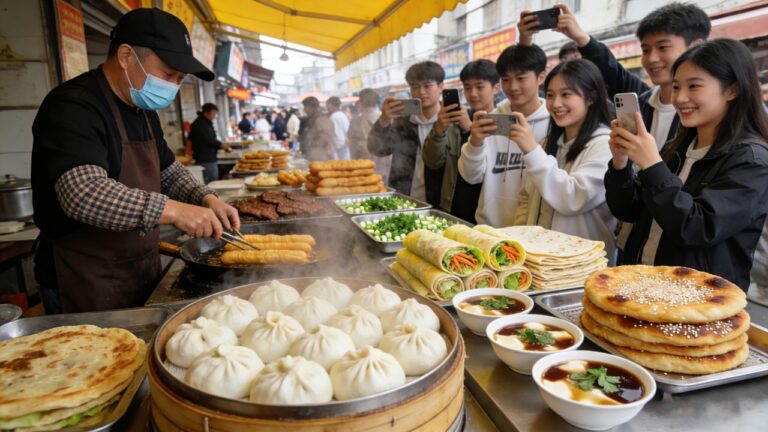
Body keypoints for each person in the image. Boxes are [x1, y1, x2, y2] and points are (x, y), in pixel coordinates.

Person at [31, 8, 240, 314]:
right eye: (169, 74)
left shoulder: (143, 112)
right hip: (84, 279)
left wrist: (205, 198)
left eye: (180, 79)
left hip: (138, 269)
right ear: (127, 56)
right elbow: (82, 193)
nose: (173, 85)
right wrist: (174, 210)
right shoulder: (73, 106)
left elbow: (166, 170)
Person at [605, 39, 768, 292]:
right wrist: (620, 162)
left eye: (694, 86)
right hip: (646, 286)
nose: (680, 98)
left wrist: (651, 164)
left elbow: (696, 228)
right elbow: (628, 209)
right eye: (676, 86)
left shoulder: (752, 160)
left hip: (701, 303)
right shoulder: (678, 146)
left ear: (732, 90)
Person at [519, 2, 710, 151]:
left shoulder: (709, 114)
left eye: (663, 47)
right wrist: (580, 38)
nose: (652, 58)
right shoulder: (640, 102)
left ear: (695, 46)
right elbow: (612, 73)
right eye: (645, 49)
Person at [512, 59, 616, 261]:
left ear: (591, 98)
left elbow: (571, 198)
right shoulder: (547, 144)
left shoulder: (605, 145)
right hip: (539, 259)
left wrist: (531, 149)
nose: (555, 104)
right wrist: (520, 242)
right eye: (550, 95)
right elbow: (526, 197)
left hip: (581, 264)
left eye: (566, 94)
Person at [458, 45, 550, 227]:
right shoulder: (492, 120)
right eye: (506, 79)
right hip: (490, 229)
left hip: (535, 233)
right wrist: (475, 142)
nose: (513, 87)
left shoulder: (554, 122)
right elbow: (471, 176)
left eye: (521, 78)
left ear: (541, 77)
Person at [423, 60, 500, 221]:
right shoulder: (453, 122)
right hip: (453, 207)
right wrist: (439, 129)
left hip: (487, 213)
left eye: (479, 87)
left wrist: (470, 128)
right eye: (467, 87)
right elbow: (432, 162)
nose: (472, 94)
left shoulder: (502, 123)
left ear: (496, 88)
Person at [368, 61, 446, 206]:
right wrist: (384, 119)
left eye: (427, 86)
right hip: (405, 199)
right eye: (415, 87)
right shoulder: (402, 122)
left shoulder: (451, 122)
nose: (421, 92)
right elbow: (377, 149)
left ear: (441, 86)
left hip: (440, 202)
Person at [348, 89, 391, 183]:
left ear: (361, 102)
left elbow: (352, 143)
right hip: (385, 162)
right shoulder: (387, 118)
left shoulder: (356, 121)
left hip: (364, 164)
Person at [190, 103, 231, 183]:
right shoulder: (201, 124)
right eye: (213, 113)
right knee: (212, 183)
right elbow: (209, 140)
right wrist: (221, 145)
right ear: (206, 112)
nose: (215, 115)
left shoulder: (205, 122)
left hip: (208, 158)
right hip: (206, 159)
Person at [300, 96, 335, 161]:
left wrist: (308, 143)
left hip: (322, 158)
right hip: (313, 156)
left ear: (312, 108)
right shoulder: (312, 119)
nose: (304, 110)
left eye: (305, 107)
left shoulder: (322, 120)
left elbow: (324, 140)